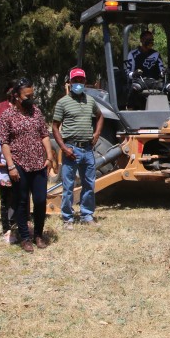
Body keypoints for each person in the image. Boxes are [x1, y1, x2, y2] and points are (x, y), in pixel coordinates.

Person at [0, 79, 55, 252]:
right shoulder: (7, 116)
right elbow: (4, 142)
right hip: (19, 164)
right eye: (27, 96)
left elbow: (44, 135)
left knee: (39, 200)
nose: (31, 98)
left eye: (32, 95)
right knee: (21, 201)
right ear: (16, 96)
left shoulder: (36, 111)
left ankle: (38, 234)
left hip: (38, 163)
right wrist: (11, 166)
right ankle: (25, 237)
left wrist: (50, 156)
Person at [51, 68, 104, 229]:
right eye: (76, 81)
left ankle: (86, 214)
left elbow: (100, 116)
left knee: (89, 183)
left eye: (81, 81)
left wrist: (96, 134)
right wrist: (63, 148)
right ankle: (67, 217)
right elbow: (55, 127)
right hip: (71, 149)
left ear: (85, 82)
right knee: (68, 185)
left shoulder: (90, 101)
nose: (79, 84)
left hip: (88, 149)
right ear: (70, 82)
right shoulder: (62, 102)